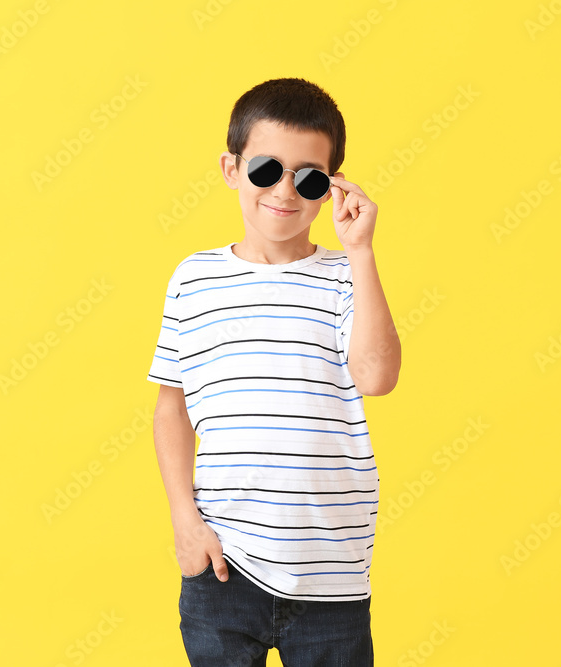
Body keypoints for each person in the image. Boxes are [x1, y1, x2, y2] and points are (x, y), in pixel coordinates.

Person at [146, 77, 401, 666]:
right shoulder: (193, 279)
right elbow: (172, 409)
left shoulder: (345, 277)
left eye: (308, 176)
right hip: (222, 564)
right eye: (266, 170)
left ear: (332, 185)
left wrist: (361, 251)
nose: (284, 190)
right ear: (232, 169)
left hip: (330, 572)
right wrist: (185, 522)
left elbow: (377, 376)